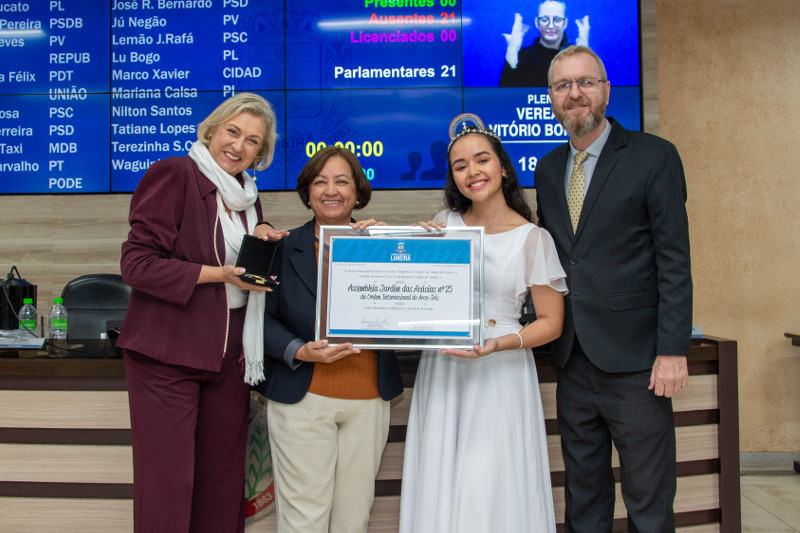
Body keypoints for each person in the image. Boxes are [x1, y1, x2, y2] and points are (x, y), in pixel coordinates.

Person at [534, 46, 693, 532]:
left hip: (638, 365)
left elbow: (674, 260)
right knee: (584, 496)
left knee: (647, 498)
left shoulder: (654, 156)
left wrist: (672, 350)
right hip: (574, 360)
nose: (575, 94)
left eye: (585, 82)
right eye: (563, 86)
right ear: (552, 99)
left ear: (605, 89)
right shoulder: (545, 169)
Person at [118, 92, 287, 533]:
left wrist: (261, 241)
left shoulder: (249, 200)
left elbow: (244, 272)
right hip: (167, 353)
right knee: (169, 483)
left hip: (229, 360)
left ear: (260, 153)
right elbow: (137, 265)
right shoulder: (174, 174)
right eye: (233, 131)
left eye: (253, 141)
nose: (239, 145)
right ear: (212, 129)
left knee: (222, 483)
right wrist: (219, 275)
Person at [399, 113, 567, 533]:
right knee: (443, 474)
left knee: (489, 481)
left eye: (482, 160)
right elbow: (412, 298)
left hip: (501, 372)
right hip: (445, 366)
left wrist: (499, 343)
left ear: (503, 167)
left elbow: (551, 323)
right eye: (460, 166)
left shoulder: (534, 238)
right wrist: (405, 252)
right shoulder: (443, 225)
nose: (472, 172)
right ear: (453, 177)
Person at [258, 145, 404, 533]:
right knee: (304, 518)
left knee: (353, 519)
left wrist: (413, 243)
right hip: (302, 397)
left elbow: (418, 308)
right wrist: (299, 350)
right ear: (307, 193)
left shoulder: (386, 245)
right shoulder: (281, 246)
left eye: (342, 180)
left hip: (369, 399)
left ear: (358, 191)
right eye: (320, 182)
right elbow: (261, 322)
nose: (331, 190)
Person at [499, 0, 589, 87]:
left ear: (565, 23)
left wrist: (586, 59)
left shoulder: (576, 57)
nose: (550, 25)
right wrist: (512, 52)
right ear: (537, 23)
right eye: (544, 19)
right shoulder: (523, 57)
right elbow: (505, 97)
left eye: (557, 20)